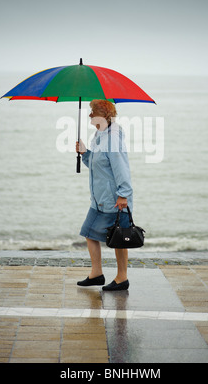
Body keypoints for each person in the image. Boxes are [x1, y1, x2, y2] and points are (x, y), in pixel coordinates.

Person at [75, 99, 133, 291]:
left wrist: (123, 195)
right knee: (88, 232)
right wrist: (85, 153)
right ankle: (97, 274)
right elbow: (97, 163)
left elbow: (121, 168)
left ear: (103, 114)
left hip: (114, 199)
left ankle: (122, 278)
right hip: (99, 199)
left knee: (119, 238)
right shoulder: (100, 135)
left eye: (93, 112)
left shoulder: (113, 138)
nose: (90, 115)